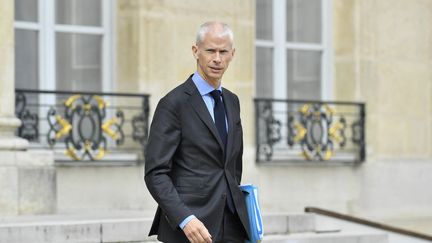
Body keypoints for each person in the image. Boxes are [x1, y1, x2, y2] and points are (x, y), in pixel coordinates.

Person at [144, 21, 250, 243]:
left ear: (233, 54)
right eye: (210, 50)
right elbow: (156, 174)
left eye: (223, 52)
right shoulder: (173, 104)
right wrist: (185, 219)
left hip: (232, 225)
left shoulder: (232, 101)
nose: (217, 59)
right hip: (190, 229)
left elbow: (232, 166)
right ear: (196, 51)